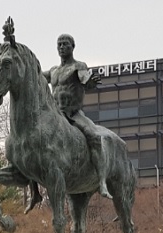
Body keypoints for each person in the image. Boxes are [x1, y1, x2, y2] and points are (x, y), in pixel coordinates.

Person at [44, 34, 113, 199]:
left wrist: (89, 83)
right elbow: (36, 76)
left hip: (73, 113)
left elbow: (85, 78)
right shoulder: (54, 70)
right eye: (59, 44)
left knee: (94, 137)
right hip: (56, 114)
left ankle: (102, 181)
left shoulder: (78, 66)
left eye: (65, 44)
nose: (61, 47)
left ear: (72, 47)